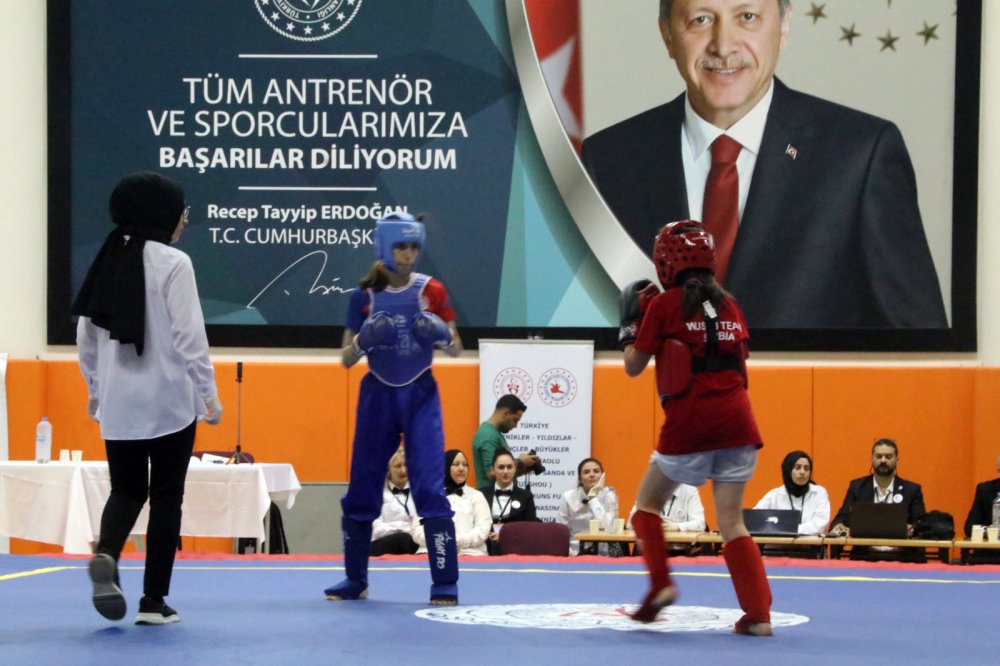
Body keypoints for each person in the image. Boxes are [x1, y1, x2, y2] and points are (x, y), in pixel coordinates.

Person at [581, 0, 946, 330]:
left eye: (748, 17)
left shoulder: (861, 155)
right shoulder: (609, 160)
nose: (723, 46)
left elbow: (921, 348)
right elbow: (587, 324)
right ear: (667, 34)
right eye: (701, 19)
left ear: (784, 24)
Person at [73, 171, 223, 625]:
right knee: (166, 497)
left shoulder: (106, 260)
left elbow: (87, 336)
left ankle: (108, 552)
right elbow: (189, 336)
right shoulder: (174, 263)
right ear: (162, 215)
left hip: (120, 402)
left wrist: (96, 393)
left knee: (126, 489)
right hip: (170, 402)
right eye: (182, 212)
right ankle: (153, 602)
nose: (185, 220)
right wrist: (209, 395)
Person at [621, 220, 772, 635]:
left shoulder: (665, 305)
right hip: (739, 420)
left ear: (665, 261)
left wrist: (630, 326)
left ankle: (661, 585)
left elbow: (633, 367)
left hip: (690, 419)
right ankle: (759, 616)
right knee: (731, 523)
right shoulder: (731, 305)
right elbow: (742, 368)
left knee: (645, 509)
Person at [324, 212, 464, 606]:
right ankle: (355, 580)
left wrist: (438, 332)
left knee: (430, 488)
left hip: (421, 395)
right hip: (377, 396)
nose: (409, 254)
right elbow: (345, 359)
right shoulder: (362, 296)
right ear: (386, 247)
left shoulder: (431, 290)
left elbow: (456, 347)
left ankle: (444, 584)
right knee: (362, 486)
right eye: (402, 246)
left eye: (414, 246)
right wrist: (365, 339)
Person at [829, 438, 926, 538]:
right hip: (864, 552)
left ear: (897, 460)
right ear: (871, 459)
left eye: (888, 457)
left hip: (900, 551)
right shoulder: (857, 487)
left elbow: (921, 523)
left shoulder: (911, 490)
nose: (883, 460)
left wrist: (912, 528)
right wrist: (839, 525)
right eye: (878, 456)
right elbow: (842, 516)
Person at [413, 450, 492, 556]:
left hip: (470, 552)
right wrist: (438, 541)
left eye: (465, 464)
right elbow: (417, 528)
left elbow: (483, 528)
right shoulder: (430, 496)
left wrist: (459, 541)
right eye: (455, 464)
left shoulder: (477, 496)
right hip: (431, 551)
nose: (461, 468)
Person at [557, 458, 628, 557]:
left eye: (596, 471)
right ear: (580, 479)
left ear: (602, 476)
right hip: (575, 553)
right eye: (586, 472)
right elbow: (561, 532)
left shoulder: (609, 495)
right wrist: (571, 554)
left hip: (604, 555)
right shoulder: (568, 497)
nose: (592, 475)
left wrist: (592, 497)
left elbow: (609, 528)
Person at [754, 451, 830, 535]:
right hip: (777, 546)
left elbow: (819, 524)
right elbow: (755, 520)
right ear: (788, 470)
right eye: (797, 467)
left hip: (810, 546)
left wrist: (787, 530)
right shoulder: (774, 495)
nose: (802, 472)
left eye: (807, 468)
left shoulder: (819, 493)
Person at [471, 394, 538, 489]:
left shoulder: (493, 433)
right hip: (492, 500)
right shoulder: (488, 435)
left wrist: (525, 467)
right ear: (505, 413)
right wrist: (520, 462)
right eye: (515, 420)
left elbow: (503, 473)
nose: (515, 425)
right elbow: (491, 473)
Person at [482, 449, 539, 555]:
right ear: (493, 470)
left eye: (509, 467)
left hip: (516, 549)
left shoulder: (526, 496)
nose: (505, 471)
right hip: (485, 548)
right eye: (501, 467)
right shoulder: (481, 494)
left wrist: (507, 535)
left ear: (515, 469)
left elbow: (531, 528)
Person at [626, 484, 707, 556]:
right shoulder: (648, 488)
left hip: (680, 552)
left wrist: (676, 527)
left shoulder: (689, 489)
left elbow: (700, 523)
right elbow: (630, 524)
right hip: (649, 550)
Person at [370, 448, 419, 556]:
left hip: (414, 541)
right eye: (398, 466)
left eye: (406, 465)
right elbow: (376, 530)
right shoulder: (377, 494)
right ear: (388, 469)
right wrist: (401, 528)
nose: (403, 470)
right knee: (403, 539)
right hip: (382, 542)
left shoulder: (418, 493)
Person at [963, 455, 1000, 563]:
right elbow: (969, 528)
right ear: (998, 471)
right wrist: (990, 530)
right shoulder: (985, 490)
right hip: (990, 555)